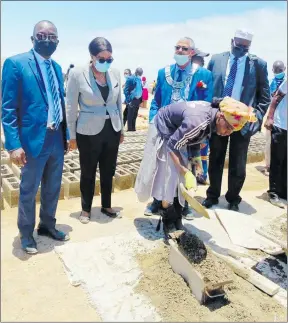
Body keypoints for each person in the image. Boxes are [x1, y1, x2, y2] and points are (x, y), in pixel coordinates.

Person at [135, 97, 256, 237]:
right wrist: (185, 171)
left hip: (178, 134)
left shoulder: (211, 119)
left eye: (232, 130)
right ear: (221, 116)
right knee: (170, 176)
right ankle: (168, 220)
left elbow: (194, 140)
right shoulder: (198, 121)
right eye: (228, 127)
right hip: (164, 129)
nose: (228, 132)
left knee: (181, 181)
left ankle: (178, 217)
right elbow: (172, 145)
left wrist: (197, 167)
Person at [1, 20, 70, 254]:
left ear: (57, 42)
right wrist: (13, 145)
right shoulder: (16, 64)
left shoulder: (57, 68)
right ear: (33, 38)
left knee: (52, 187)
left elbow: (59, 102)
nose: (47, 40)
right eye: (42, 35)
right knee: (29, 189)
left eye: (52, 36)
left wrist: (66, 136)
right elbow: (8, 109)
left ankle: (47, 225)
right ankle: (26, 233)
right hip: (31, 140)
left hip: (55, 139)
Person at [145, 37, 213, 219]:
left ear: (192, 53)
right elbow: (157, 100)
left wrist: (202, 133)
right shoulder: (163, 72)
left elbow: (207, 105)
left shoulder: (204, 75)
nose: (180, 51)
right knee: (160, 165)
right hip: (165, 126)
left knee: (185, 167)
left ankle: (183, 205)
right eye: (177, 48)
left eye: (184, 49)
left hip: (188, 128)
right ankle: (157, 201)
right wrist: (153, 121)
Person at [203, 29, 270, 212]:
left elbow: (265, 97)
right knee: (215, 158)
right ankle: (212, 195)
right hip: (219, 119)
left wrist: (256, 120)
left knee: (238, 163)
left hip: (243, 123)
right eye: (238, 45)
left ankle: (233, 198)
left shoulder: (258, 65)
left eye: (245, 47)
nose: (241, 49)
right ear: (232, 41)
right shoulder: (217, 60)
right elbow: (207, 88)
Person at [66, 37, 124, 224]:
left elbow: (117, 102)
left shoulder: (115, 73)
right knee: (88, 171)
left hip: (112, 129)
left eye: (109, 59)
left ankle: (106, 205)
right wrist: (72, 135)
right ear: (91, 56)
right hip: (88, 132)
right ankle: (85, 209)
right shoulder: (77, 74)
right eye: (101, 59)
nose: (106, 62)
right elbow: (71, 106)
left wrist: (121, 129)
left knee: (109, 170)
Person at [264, 79, 287, 208]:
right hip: (280, 124)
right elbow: (276, 97)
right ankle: (273, 193)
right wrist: (270, 117)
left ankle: (283, 192)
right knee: (277, 161)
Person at [191, 48, 211, 185]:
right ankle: (192, 174)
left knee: (202, 147)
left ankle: (201, 174)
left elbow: (208, 98)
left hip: (201, 118)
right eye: (200, 58)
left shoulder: (206, 74)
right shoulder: (187, 74)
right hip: (189, 116)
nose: (203, 61)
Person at [265, 60, 286, 173]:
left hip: (281, 115)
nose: (278, 72)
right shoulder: (270, 82)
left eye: (280, 70)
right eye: (276, 70)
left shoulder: (284, 81)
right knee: (269, 140)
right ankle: (269, 165)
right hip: (272, 113)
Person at [124, 67, 143, 131]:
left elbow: (140, 89)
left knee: (135, 116)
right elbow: (126, 90)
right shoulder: (130, 79)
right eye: (139, 74)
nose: (140, 75)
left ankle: (133, 129)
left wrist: (140, 100)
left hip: (137, 100)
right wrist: (129, 101)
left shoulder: (139, 79)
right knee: (130, 116)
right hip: (131, 100)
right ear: (136, 72)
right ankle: (129, 130)